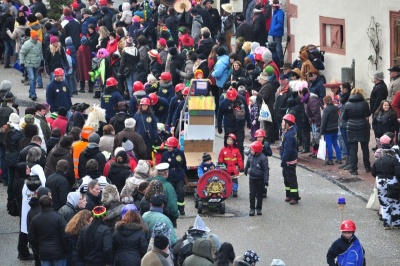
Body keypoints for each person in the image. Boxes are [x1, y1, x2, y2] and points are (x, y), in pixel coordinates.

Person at [28, 195, 69, 266]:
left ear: (40, 205)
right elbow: (65, 235)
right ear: (51, 203)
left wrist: (38, 248)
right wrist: (66, 249)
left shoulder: (35, 219)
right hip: (58, 252)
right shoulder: (59, 218)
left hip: (44, 252)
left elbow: (31, 237)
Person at [371, 135, 400, 229]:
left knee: (384, 203)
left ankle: (386, 223)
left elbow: (373, 172)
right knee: (395, 201)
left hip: (381, 182)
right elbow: (398, 172)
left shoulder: (378, 160)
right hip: (393, 182)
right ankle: (396, 222)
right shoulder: (394, 160)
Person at [341, 88, 371, 175]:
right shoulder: (364, 103)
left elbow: (344, 117)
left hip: (351, 127)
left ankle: (354, 169)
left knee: (353, 149)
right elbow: (368, 114)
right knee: (365, 148)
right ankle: (367, 166)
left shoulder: (347, 104)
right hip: (363, 125)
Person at [218, 88, 251, 161]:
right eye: (231, 99)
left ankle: (240, 164)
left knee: (240, 145)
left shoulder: (242, 99)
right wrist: (219, 126)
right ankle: (227, 162)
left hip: (240, 126)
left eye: (233, 98)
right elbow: (219, 114)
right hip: (229, 126)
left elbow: (247, 111)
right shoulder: (224, 102)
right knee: (228, 144)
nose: (232, 100)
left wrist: (249, 122)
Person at [161, 139, 187, 216]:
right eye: (168, 146)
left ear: (174, 147)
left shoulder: (180, 153)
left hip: (179, 176)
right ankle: (171, 209)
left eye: (170, 147)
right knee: (171, 194)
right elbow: (162, 165)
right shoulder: (165, 154)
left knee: (180, 192)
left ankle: (181, 209)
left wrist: (182, 172)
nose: (168, 148)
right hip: (170, 176)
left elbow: (184, 164)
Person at [244, 141, 269, 216]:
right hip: (252, 178)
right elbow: (248, 164)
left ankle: (259, 208)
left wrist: (266, 180)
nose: (250, 151)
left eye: (251, 150)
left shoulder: (263, 158)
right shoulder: (250, 156)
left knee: (260, 194)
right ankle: (252, 208)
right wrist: (245, 170)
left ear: (256, 150)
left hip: (260, 179)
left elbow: (266, 170)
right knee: (252, 194)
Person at [280, 114, 300, 204]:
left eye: (283, 122)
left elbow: (287, 150)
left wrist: (283, 161)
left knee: (291, 179)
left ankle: (294, 197)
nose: (281, 123)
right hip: (288, 160)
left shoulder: (289, 135)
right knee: (286, 178)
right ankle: (288, 194)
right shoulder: (289, 132)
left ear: (287, 123)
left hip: (289, 161)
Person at [18, 30, 43, 101]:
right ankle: (33, 94)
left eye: (37, 36)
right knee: (32, 78)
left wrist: (42, 60)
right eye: (36, 36)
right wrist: (22, 62)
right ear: (32, 36)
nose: (37, 37)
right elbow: (22, 53)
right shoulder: (27, 44)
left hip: (37, 63)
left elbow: (40, 53)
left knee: (34, 79)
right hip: (29, 63)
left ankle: (31, 92)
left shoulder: (39, 43)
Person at [320, 96, 342, 165]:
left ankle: (330, 159)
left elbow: (324, 122)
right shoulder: (335, 108)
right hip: (335, 128)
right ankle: (339, 158)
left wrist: (322, 131)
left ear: (325, 101)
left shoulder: (326, 110)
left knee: (329, 145)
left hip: (328, 130)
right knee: (335, 144)